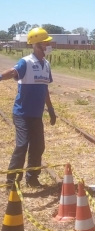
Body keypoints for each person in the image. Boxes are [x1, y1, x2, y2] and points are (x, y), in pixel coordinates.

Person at [0, 27, 56, 188]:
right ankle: (11, 181)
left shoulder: (46, 65)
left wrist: (51, 110)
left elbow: (45, 89)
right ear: (37, 45)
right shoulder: (26, 62)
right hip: (22, 114)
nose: (49, 45)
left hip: (36, 114)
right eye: (46, 43)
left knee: (38, 146)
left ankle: (32, 178)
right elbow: (12, 72)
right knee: (22, 144)